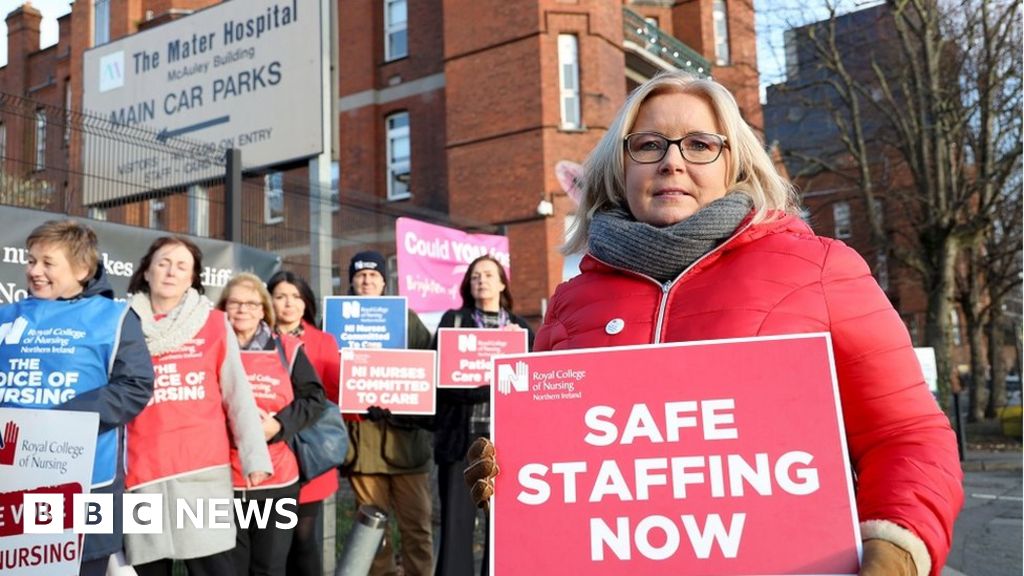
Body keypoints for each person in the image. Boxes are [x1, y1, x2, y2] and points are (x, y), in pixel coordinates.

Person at [464, 71, 963, 576]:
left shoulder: (820, 268)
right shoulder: (571, 301)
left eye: (699, 144)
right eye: (648, 144)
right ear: (621, 166)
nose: (671, 160)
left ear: (734, 163)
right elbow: (566, 465)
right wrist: (517, 485)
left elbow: (905, 434)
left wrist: (896, 549)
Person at [0, 220, 154, 576]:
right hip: (12, 481)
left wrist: (62, 422)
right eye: (31, 260)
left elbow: (135, 385)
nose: (34, 271)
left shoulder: (114, 317)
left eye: (47, 263)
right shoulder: (8, 315)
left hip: (85, 482)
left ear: (82, 269)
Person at [124, 236, 272, 576]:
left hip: (202, 471)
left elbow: (238, 395)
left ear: (192, 278)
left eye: (181, 266)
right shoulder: (123, 323)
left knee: (216, 569)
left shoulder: (215, 324)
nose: (171, 272)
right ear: (146, 271)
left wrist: (254, 456)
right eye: (163, 263)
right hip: (142, 471)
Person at [216, 273, 327, 576]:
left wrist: (279, 424)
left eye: (252, 304)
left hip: (276, 479)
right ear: (222, 307)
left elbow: (314, 398)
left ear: (264, 309)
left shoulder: (287, 349)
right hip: (223, 479)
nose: (243, 310)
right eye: (235, 303)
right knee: (230, 569)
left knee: (269, 568)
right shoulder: (210, 349)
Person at [434, 254, 534, 576]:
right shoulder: (454, 322)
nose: (482, 281)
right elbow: (442, 383)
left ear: (502, 283)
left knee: (502, 528)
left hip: (506, 444)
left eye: (489, 275)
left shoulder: (520, 330)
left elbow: (529, 387)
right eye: (475, 276)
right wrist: (487, 387)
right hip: (460, 440)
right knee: (455, 527)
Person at [344, 250, 435, 576]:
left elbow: (429, 367)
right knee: (372, 532)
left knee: (417, 528)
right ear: (352, 282)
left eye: (373, 275)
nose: (367, 280)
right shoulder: (338, 319)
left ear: (384, 282)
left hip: (406, 444)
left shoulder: (406, 319)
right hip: (363, 445)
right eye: (360, 275)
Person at [267, 270, 340, 576]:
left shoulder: (323, 341)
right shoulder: (257, 338)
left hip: (309, 450)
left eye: (296, 297)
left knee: (304, 538)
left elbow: (334, 395)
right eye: (281, 296)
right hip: (271, 448)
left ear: (306, 302)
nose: (288, 304)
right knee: (271, 541)